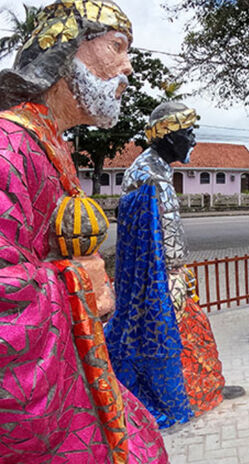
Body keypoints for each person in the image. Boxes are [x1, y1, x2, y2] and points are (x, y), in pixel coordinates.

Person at [0, 1, 168, 461]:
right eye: (117, 47)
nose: (128, 68)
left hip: (77, 365)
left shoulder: (49, 144)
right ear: (68, 51)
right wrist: (74, 282)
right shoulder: (9, 146)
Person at [104, 102, 245, 429]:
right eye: (188, 133)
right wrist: (169, 276)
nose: (193, 141)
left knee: (190, 333)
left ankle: (190, 393)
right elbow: (148, 240)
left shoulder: (157, 172)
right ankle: (173, 398)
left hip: (169, 276)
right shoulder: (149, 177)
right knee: (172, 338)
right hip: (157, 282)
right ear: (168, 137)